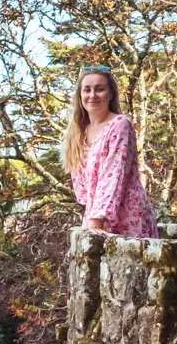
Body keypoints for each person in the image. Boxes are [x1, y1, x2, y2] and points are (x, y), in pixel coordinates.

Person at [62, 65, 158, 238]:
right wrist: (92, 216)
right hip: (94, 217)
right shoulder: (78, 133)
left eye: (99, 89)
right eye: (87, 90)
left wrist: (98, 217)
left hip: (127, 217)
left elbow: (114, 172)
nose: (92, 95)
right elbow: (82, 187)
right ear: (80, 95)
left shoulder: (120, 125)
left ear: (111, 94)